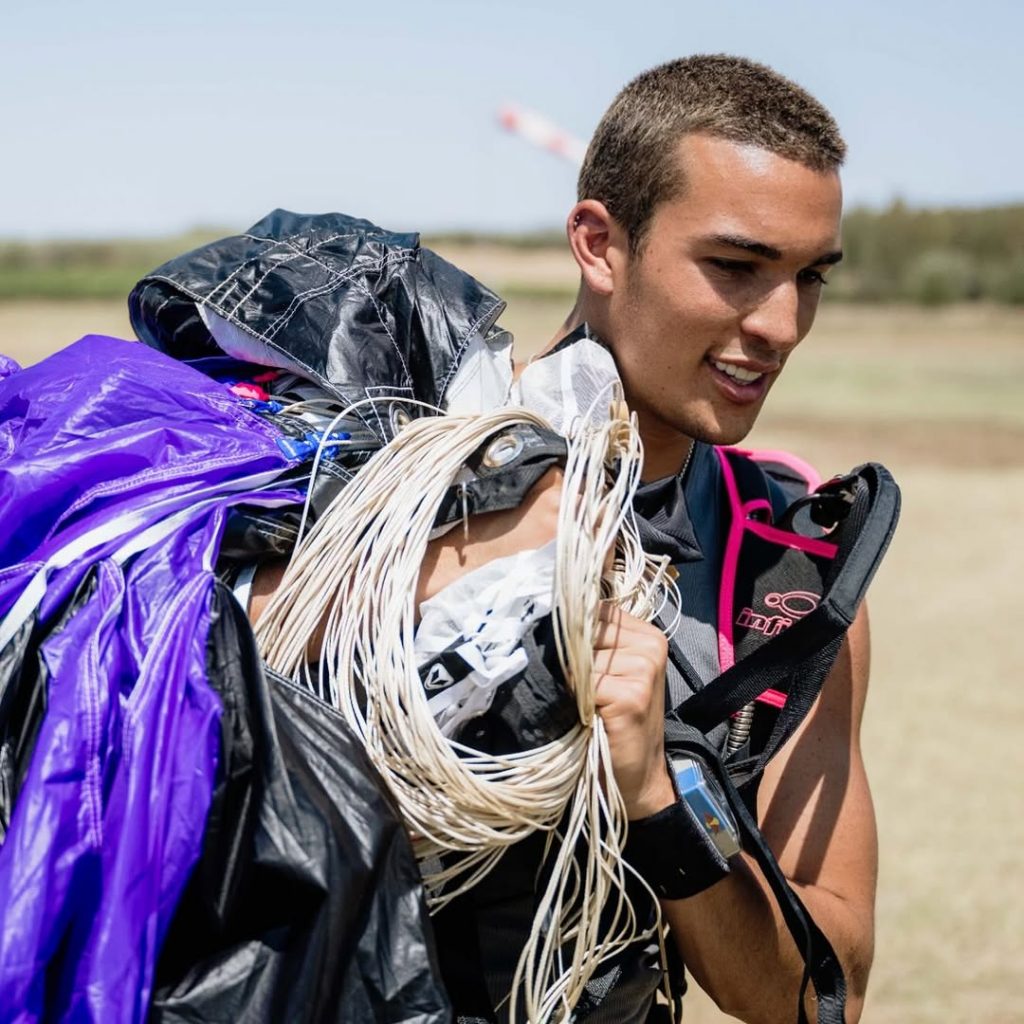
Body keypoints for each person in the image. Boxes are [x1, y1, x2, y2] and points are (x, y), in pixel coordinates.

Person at [409, 54, 877, 1023]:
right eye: (738, 268)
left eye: (810, 279)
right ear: (598, 243)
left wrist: (661, 798)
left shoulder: (794, 574)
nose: (783, 324)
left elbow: (819, 993)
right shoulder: (399, 497)